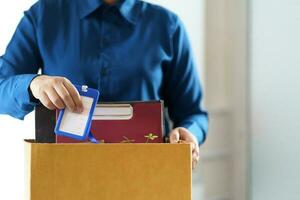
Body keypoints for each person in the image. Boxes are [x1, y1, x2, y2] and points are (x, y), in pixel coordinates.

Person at [0, 0, 208, 169]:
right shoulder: (43, 16)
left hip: (148, 175)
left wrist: (189, 133)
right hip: (62, 174)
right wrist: (33, 84)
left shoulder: (168, 26)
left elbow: (193, 114)